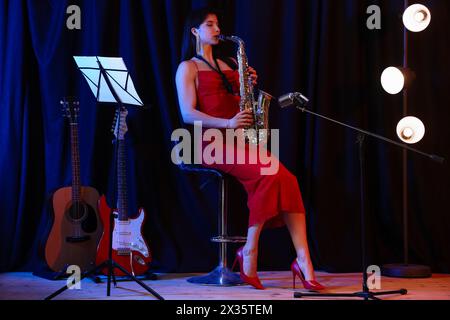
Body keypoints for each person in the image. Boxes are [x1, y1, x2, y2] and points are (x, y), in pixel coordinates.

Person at [175, 7, 324, 290]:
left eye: (217, 24)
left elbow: (241, 102)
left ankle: (304, 261)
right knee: (268, 175)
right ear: (195, 31)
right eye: (209, 25)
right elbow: (187, 114)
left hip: (241, 141)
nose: (217, 29)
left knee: (288, 179)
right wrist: (228, 123)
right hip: (209, 143)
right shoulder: (188, 67)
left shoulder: (231, 63)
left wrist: (248, 85)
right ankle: (250, 252)